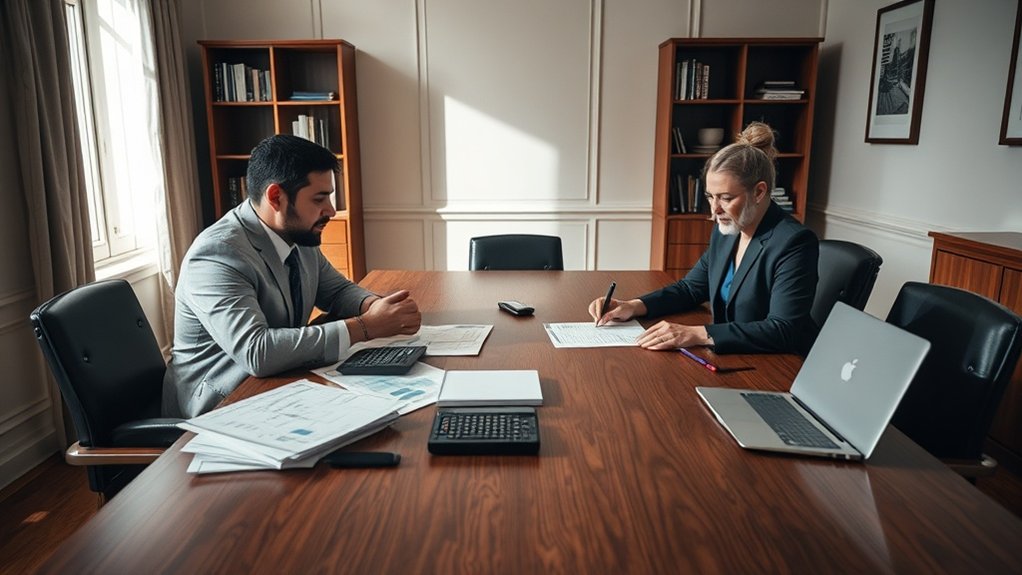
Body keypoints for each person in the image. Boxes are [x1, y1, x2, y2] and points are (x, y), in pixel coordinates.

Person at [163, 135, 421, 418]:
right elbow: (257, 352)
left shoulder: (296, 233)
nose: (331, 210)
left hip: (281, 388)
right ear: (276, 197)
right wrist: (366, 326)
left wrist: (374, 306)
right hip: (222, 407)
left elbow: (335, 291)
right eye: (319, 198)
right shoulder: (217, 255)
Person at [589, 122, 819, 355]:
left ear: (759, 192)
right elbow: (690, 289)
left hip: (779, 365)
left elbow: (783, 329)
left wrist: (698, 333)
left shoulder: (794, 243)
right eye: (710, 196)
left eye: (726, 198)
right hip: (733, 354)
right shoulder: (727, 230)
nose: (714, 209)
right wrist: (633, 306)